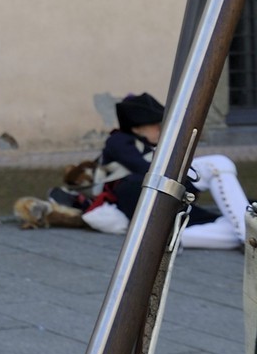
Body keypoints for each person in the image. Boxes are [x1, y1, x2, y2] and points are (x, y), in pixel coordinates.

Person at [56, 93, 251, 248]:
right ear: (137, 129)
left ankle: (246, 232)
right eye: (156, 125)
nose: (161, 129)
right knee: (229, 229)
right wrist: (188, 186)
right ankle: (245, 233)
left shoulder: (152, 143)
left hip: (164, 196)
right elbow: (147, 170)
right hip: (138, 201)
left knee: (219, 164)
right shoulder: (119, 141)